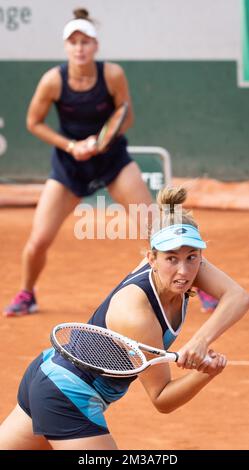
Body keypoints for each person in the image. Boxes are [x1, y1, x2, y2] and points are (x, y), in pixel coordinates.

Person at [0, 186, 249, 450]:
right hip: (67, 395)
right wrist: (206, 373)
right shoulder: (136, 315)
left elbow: (239, 298)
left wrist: (200, 341)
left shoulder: (186, 267)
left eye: (192, 257)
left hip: (49, 376)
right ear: (151, 258)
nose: (184, 270)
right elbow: (162, 398)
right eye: (172, 259)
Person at [3, 7, 152, 317]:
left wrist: (101, 143)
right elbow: (34, 122)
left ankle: (198, 288)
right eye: (74, 42)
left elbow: (126, 116)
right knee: (38, 240)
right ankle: (27, 293)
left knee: (155, 229)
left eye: (86, 42)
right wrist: (71, 146)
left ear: (95, 46)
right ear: (66, 47)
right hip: (69, 166)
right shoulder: (52, 81)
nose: (80, 48)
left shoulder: (112, 74)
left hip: (113, 161)